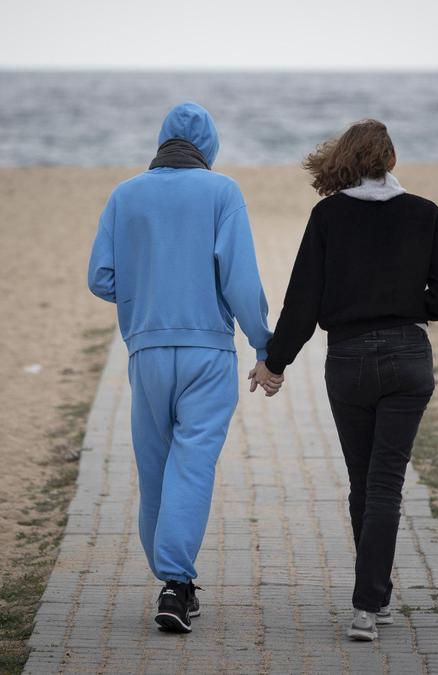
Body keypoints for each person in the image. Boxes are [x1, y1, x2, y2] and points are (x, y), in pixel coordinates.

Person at [260, 119, 438, 641]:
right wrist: (417, 307)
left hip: (348, 361)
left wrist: (275, 363)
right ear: (391, 161)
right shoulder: (426, 213)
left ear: (345, 161)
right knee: (384, 485)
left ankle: (369, 602)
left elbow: (303, 301)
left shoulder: (328, 216)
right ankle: (370, 601)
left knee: (363, 481)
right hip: (408, 359)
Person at [87, 101, 281, 634]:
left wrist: (148, 290)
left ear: (161, 140)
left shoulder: (125, 195)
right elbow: (240, 281)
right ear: (209, 147)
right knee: (192, 465)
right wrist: (265, 348)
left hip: (146, 352)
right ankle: (176, 583)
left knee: (155, 469)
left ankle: (171, 582)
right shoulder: (222, 192)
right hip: (207, 354)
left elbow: (100, 278)